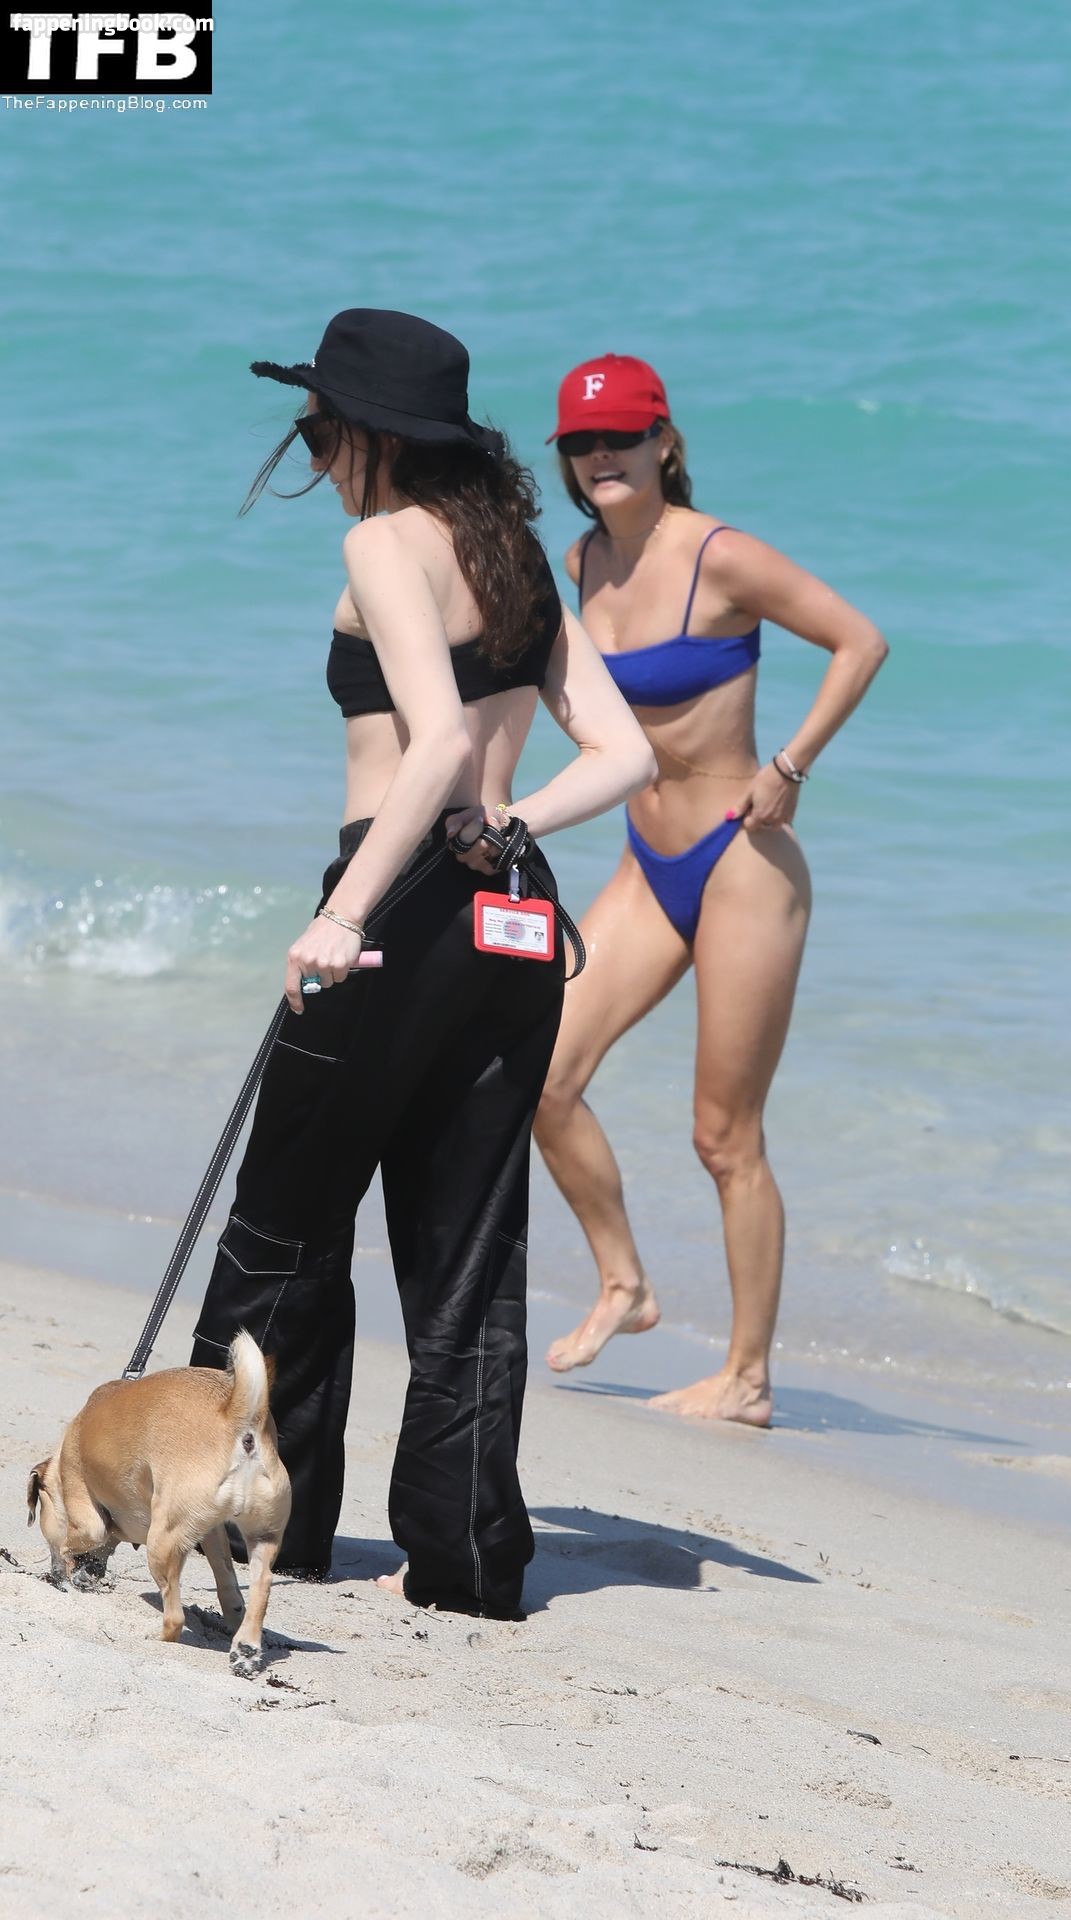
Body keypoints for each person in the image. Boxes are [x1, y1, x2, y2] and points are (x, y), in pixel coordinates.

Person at [189, 312, 655, 1617]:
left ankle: (254, 1521)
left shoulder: (387, 543)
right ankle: (465, 1560)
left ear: (372, 436)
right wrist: (511, 825)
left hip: (393, 905)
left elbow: (437, 739)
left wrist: (345, 914)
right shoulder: (513, 555)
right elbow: (624, 755)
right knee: (468, 1251)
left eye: (318, 431)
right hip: (510, 920)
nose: (313, 455)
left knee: (283, 1224)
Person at [534, 353, 887, 1425]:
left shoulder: (719, 556)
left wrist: (790, 765)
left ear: (664, 442)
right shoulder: (582, 560)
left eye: (620, 437)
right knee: (542, 1077)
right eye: (581, 442)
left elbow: (859, 641)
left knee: (724, 1136)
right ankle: (624, 1281)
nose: (601, 455)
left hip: (741, 861)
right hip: (646, 865)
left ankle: (747, 1378)